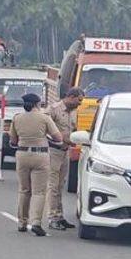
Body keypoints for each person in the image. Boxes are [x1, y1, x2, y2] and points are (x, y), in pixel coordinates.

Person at [9, 93, 62, 237]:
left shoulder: (17, 118)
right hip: (40, 155)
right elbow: (58, 138)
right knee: (39, 191)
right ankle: (36, 223)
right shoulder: (44, 118)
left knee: (24, 190)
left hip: (22, 154)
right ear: (37, 104)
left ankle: (21, 222)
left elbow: (13, 141)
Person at [45, 87, 84, 230]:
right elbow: (44, 127)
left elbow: (73, 130)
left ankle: (59, 216)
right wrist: (58, 139)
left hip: (65, 151)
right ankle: (52, 217)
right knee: (53, 186)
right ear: (71, 97)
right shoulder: (54, 109)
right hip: (53, 150)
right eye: (79, 100)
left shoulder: (73, 113)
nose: (80, 104)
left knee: (60, 186)